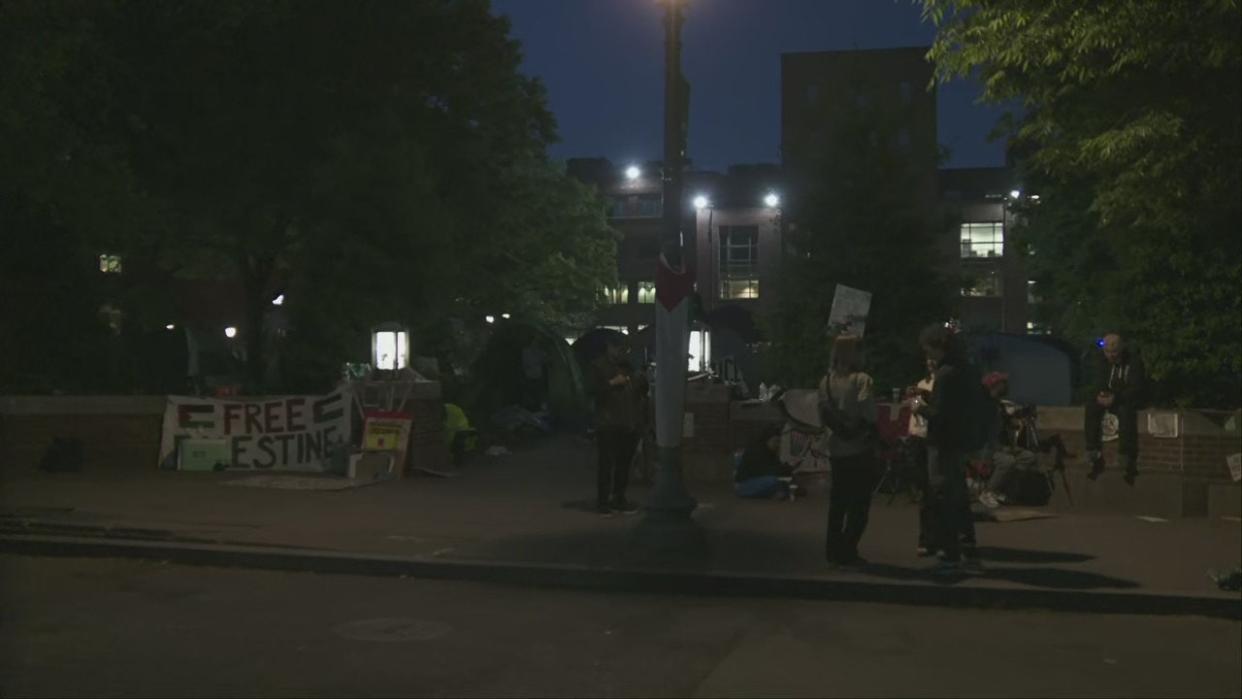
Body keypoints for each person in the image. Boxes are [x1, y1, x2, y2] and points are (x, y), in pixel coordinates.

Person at [913, 324, 981, 575]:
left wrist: (919, 405)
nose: (927, 355)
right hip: (959, 441)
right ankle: (967, 548)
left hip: (941, 443)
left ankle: (950, 553)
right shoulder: (964, 370)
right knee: (958, 495)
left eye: (929, 349)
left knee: (943, 496)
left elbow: (939, 415)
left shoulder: (945, 374)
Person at [819, 334, 878, 567]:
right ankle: (848, 550)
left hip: (836, 448)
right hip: (860, 448)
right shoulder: (862, 380)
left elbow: (822, 414)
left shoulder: (825, 381)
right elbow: (869, 414)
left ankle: (832, 551)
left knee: (838, 504)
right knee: (859, 505)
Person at [589, 337, 648, 515]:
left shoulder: (629, 367)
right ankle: (603, 501)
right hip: (608, 423)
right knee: (607, 463)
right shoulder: (598, 366)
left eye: (623, 349)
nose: (620, 352)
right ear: (609, 347)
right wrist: (612, 383)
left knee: (624, 462)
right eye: (617, 348)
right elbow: (592, 390)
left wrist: (641, 379)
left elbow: (641, 391)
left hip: (628, 421)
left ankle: (619, 497)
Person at [1084, 333, 1147, 484]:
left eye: (1114, 352)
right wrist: (1099, 395)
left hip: (1125, 398)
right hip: (1108, 395)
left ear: (1121, 349)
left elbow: (1136, 387)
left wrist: (1116, 397)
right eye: (1107, 351)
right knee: (1091, 409)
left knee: (1126, 414)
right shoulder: (1101, 362)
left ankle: (1126, 455)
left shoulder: (1133, 362)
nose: (1110, 355)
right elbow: (1096, 382)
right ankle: (1092, 450)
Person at [976, 372, 1039, 509]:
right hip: (984, 449)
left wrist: (1020, 416)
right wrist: (986, 457)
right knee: (1007, 461)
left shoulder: (998, 404)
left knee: (1028, 457)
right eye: (1003, 383)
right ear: (995, 385)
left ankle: (1002, 489)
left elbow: (1005, 423)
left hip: (998, 446)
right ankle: (988, 492)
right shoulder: (984, 406)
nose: (1007, 386)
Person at [905, 359, 937, 555]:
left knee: (935, 490)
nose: (929, 363)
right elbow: (916, 407)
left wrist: (924, 397)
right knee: (925, 489)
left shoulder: (942, 382)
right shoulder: (921, 382)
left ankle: (933, 538)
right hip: (917, 435)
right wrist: (914, 399)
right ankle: (926, 538)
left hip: (932, 437)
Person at [735, 424, 796, 499]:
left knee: (782, 482)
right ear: (767, 440)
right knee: (772, 481)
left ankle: (777, 493)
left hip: (759, 482)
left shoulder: (770, 452)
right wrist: (786, 469)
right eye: (775, 441)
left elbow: (776, 468)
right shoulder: (756, 451)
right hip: (745, 485)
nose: (778, 444)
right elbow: (768, 472)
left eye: (779, 442)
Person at [521, 339, 549, 412]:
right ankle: (530, 410)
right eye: (534, 342)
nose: (535, 344)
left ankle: (539, 410)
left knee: (539, 394)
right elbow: (525, 364)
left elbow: (546, 359)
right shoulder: (526, 351)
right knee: (530, 394)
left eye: (537, 342)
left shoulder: (540, 352)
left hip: (537, 377)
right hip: (529, 377)